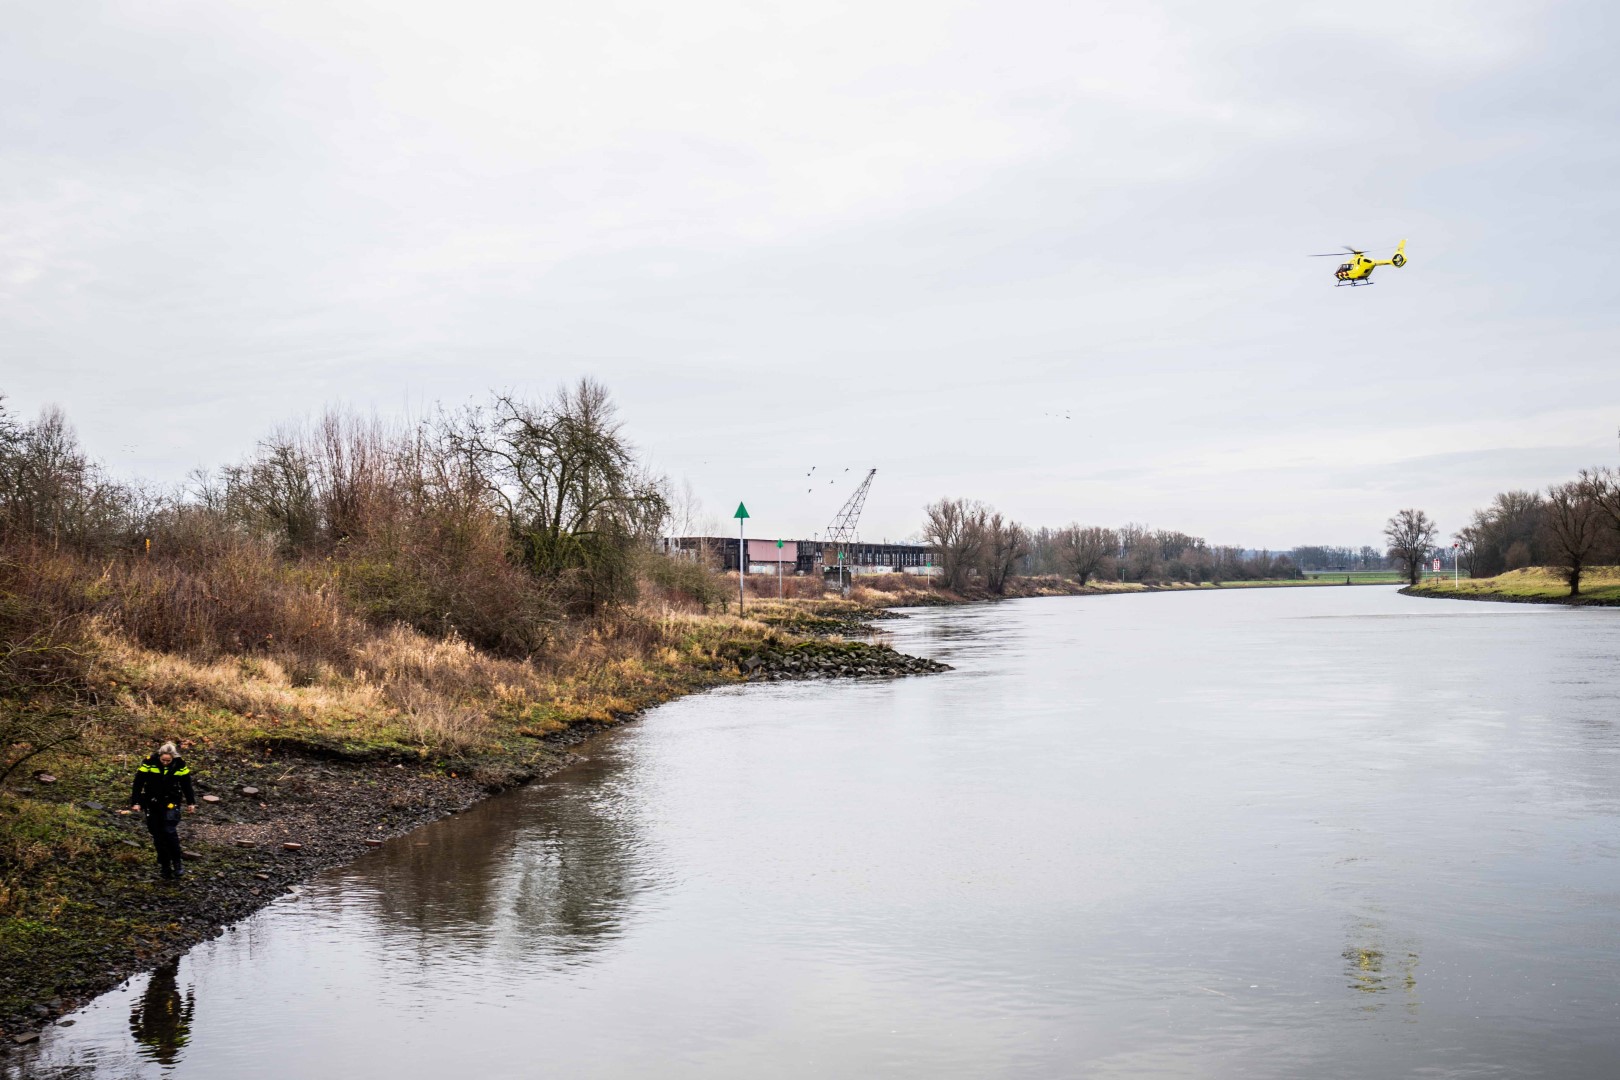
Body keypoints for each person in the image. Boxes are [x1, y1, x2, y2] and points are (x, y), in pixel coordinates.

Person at [129, 741, 196, 879]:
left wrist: (191, 802)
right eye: (163, 760)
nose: (165, 763)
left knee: (169, 831)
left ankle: (177, 863)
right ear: (159, 756)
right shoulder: (149, 763)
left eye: (168, 761)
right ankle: (165, 865)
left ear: (173, 758)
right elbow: (138, 782)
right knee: (157, 835)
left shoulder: (180, 765)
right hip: (152, 803)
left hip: (171, 802)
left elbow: (186, 784)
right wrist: (135, 802)